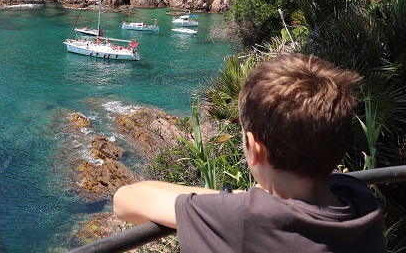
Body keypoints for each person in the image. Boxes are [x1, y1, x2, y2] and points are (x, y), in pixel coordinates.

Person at [113, 53, 385, 252]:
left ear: (255, 149)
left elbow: (125, 200)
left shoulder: (242, 219)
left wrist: (237, 199)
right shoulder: (359, 198)